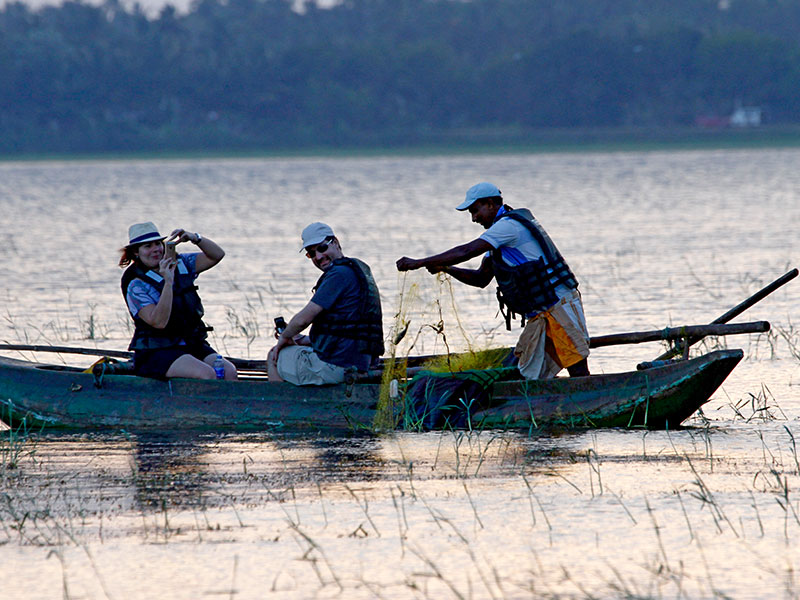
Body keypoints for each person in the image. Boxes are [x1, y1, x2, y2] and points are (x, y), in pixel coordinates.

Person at [396, 182, 590, 379]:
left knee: (575, 364)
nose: (474, 219)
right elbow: (481, 278)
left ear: (490, 203)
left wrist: (420, 262)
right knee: (533, 370)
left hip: (558, 304)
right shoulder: (498, 236)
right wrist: (446, 268)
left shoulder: (508, 227)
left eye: (475, 211)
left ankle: (585, 400)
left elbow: (466, 251)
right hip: (544, 311)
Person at [268, 222, 384, 385]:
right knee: (298, 350)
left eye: (322, 248)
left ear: (335, 242)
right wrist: (300, 338)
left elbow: (303, 320)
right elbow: (345, 331)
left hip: (338, 366)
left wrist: (285, 337)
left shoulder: (338, 275)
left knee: (275, 355)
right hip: (362, 363)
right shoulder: (359, 269)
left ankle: (279, 407)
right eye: (311, 253)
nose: (318, 257)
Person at [119, 222, 237, 380]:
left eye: (158, 244)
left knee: (228, 371)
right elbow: (158, 322)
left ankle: (229, 405)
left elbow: (216, 255)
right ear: (136, 252)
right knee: (206, 374)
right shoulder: (135, 284)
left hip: (190, 343)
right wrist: (168, 282)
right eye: (148, 246)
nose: (156, 250)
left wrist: (194, 238)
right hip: (157, 351)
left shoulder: (180, 263)